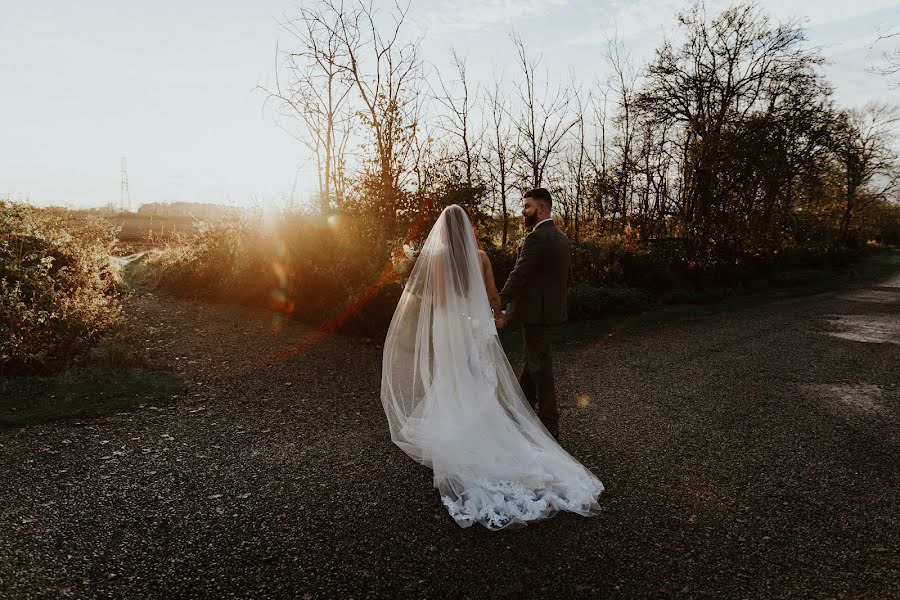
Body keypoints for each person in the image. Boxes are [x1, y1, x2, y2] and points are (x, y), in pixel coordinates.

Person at [380, 204, 602, 530]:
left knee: (451, 375)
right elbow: (492, 296)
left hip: (446, 327)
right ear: (466, 227)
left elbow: (433, 301)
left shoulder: (436, 258)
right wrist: (496, 314)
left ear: (442, 229)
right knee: (472, 375)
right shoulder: (480, 256)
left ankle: (459, 426)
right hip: (470, 327)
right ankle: (484, 426)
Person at [496, 187, 570, 440]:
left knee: (540, 367)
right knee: (532, 363)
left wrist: (499, 300)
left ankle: (550, 426)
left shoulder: (536, 238)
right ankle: (522, 413)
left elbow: (520, 274)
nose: (523, 211)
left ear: (541, 208)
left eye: (527, 206)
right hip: (550, 312)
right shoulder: (561, 237)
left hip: (535, 314)